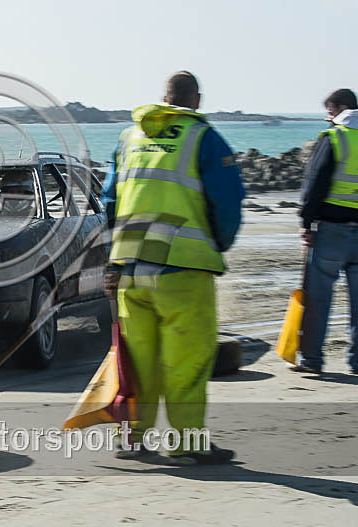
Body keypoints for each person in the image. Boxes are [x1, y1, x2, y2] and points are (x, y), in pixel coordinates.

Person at [101, 71, 245, 465]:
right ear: (196, 100)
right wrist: (218, 244)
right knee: (187, 363)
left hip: (131, 268)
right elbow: (228, 202)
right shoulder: (203, 138)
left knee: (138, 362)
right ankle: (187, 445)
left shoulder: (130, 137)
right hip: (183, 268)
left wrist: (114, 258)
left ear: (164, 99)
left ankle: (132, 439)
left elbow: (109, 200)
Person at [292, 89, 358, 375]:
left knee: (318, 298)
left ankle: (312, 360)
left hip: (332, 229)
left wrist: (306, 223)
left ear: (342, 109)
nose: (328, 119)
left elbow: (314, 183)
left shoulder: (334, 138)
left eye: (330, 112)